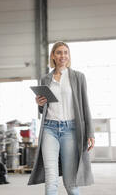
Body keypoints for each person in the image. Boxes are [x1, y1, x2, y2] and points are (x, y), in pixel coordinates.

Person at [28, 41, 95, 195]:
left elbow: (85, 105)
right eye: (59, 52)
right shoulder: (46, 79)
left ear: (69, 55)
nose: (62, 55)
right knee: (51, 179)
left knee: (70, 181)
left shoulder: (78, 77)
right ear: (53, 55)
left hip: (70, 130)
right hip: (49, 129)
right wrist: (39, 103)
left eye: (65, 52)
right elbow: (43, 108)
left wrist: (90, 133)